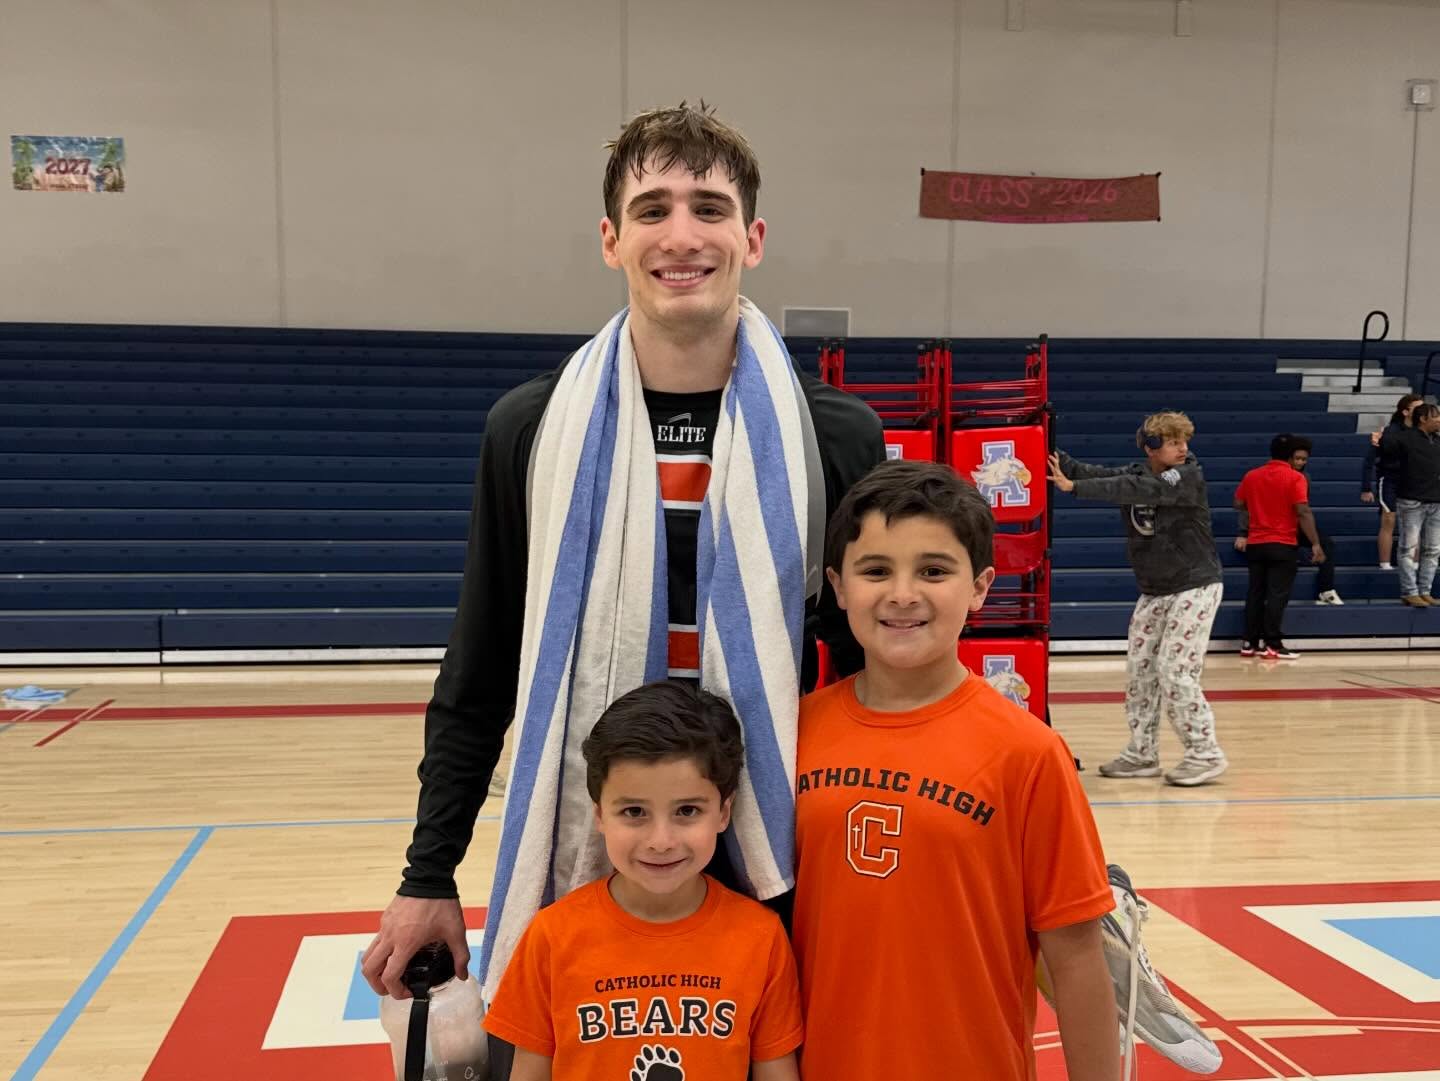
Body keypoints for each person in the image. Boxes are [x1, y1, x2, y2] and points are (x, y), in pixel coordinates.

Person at [359, 101, 885, 1061]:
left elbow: (872, 678)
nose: (681, 235)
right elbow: (481, 666)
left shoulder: (832, 436)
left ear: (753, 238)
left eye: (709, 208)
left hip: (776, 848)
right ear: (611, 239)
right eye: (652, 209)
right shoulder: (530, 430)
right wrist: (427, 872)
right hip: (598, 832)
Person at [791, 459, 1118, 1081]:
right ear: (838, 585)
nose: (902, 594)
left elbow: (1076, 957)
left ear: (980, 587)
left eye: (934, 571)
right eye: (875, 571)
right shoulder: (795, 733)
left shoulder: (1028, 752)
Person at [483, 680, 803, 1081]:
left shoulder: (761, 938)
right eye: (634, 812)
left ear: (723, 813)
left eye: (687, 811)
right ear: (600, 815)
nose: (660, 841)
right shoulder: (551, 937)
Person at [1048, 411, 1229, 786]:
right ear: (1151, 447)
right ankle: (1142, 753)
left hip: (1195, 585)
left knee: (1175, 671)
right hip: (1155, 589)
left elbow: (1137, 489)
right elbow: (1091, 473)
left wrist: (1073, 488)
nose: (1183, 448)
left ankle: (1205, 753)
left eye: (1185, 441)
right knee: (1141, 672)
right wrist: (1045, 445)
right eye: (1174, 442)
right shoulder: (1136, 473)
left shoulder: (1187, 475)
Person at [1233, 434, 1326, 660]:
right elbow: (1303, 511)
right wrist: (1315, 543)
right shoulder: (1295, 478)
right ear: (1290, 455)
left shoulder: (1252, 475)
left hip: (1256, 542)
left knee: (1255, 593)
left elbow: (1238, 503)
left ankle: (1248, 642)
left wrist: (1259, 507)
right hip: (1283, 543)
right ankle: (1272, 644)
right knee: (1277, 595)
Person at [1380, 402, 1440, 606]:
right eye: (1436, 416)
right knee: (1408, 548)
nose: (1439, 420)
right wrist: (1381, 438)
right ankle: (1409, 591)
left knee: (1433, 549)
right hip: (1411, 500)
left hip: (1436, 501)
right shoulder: (1403, 438)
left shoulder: (1438, 441)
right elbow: (1384, 451)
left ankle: (1425, 590)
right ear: (1423, 419)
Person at [1363, 393, 1423, 570]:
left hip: (1413, 481)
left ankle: (1414, 563)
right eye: (1417, 408)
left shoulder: (1423, 432)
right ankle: (1385, 564)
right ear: (1405, 411)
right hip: (1390, 479)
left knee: (1414, 523)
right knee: (1389, 519)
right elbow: (1369, 460)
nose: (1422, 411)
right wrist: (1366, 487)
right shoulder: (1389, 432)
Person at [1286, 439, 1341, 605]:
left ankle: (1326, 590)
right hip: (1279, 525)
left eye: (1304, 459)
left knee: (1327, 543)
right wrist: (1243, 532)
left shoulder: (1305, 477)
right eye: (1297, 458)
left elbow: (1303, 508)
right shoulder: (1280, 476)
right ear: (1289, 458)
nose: (1300, 462)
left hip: (1297, 523)